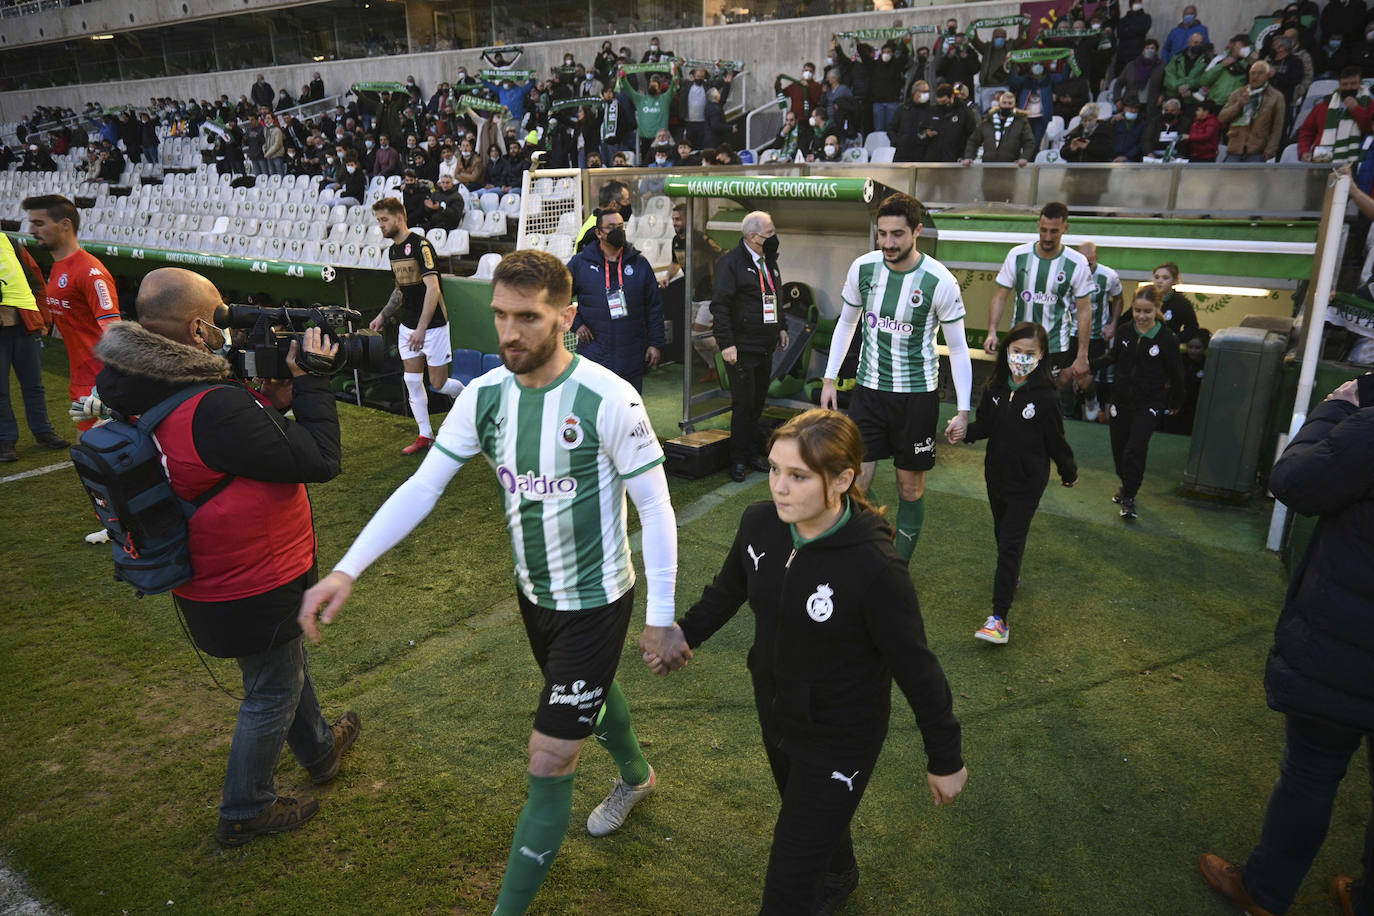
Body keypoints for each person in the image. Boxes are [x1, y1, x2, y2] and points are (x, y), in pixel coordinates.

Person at [300, 249, 683, 915]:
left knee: (549, 757)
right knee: (591, 695)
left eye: (527, 318)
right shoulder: (484, 396)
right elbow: (424, 487)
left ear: (565, 317)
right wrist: (346, 568)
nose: (508, 333)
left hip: (596, 600)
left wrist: (662, 612)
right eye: (500, 315)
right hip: (533, 594)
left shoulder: (607, 397)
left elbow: (654, 507)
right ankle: (637, 776)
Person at [658, 408, 967, 914]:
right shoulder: (760, 523)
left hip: (842, 734)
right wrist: (685, 634)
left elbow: (918, 668)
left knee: (789, 882)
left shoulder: (875, 567)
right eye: (775, 469)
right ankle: (840, 872)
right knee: (811, 821)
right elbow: (728, 589)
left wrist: (946, 757)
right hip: (776, 708)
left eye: (798, 476)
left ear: (843, 479)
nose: (779, 486)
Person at [93, 268, 358, 846]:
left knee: (280, 667)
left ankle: (318, 751)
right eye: (219, 318)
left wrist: (264, 402)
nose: (227, 329)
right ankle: (245, 807)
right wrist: (312, 380)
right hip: (249, 575)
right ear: (195, 329)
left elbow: (223, 448)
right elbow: (318, 458)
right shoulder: (211, 406)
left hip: (210, 570)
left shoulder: (134, 380)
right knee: (272, 687)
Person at [1199, 374, 1374, 916]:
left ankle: (1266, 892)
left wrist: (1333, 410)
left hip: (1349, 639)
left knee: (1313, 769)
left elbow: (1294, 480)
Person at [819, 193, 973, 563]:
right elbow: (847, 323)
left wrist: (964, 410)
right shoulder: (864, 269)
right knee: (854, 482)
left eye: (897, 235)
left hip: (916, 398)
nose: (888, 243)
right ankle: (863, 546)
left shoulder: (940, 281)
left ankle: (896, 566)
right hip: (869, 391)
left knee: (910, 488)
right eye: (882, 234)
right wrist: (829, 378)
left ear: (917, 231)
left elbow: (960, 348)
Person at [952, 321, 1076, 645]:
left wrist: (1068, 471)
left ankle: (999, 619)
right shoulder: (995, 386)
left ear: (1041, 355)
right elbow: (986, 426)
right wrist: (964, 431)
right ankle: (1012, 575)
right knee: (1003, 534)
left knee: (1009, 542)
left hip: (1028, 482)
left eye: (1029, 353)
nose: (1021, 358)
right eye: (1017, 351)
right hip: (996, 477)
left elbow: (1056, 440)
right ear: (1007, 349)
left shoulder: (1046, 397)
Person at [366, 198, 465, 456]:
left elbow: (433, 289)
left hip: (432, 327)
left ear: (399, 218)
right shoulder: (393, 252)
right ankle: (425, 435)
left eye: (384, 220)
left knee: (439, 384)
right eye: (378, 221)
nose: (381, 225)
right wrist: (383, 316)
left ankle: (467, 399)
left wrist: (422, 329)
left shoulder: (421, 245)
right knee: (411, 379)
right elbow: (400, 291)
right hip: (407, 326)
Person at [985, 202, 1095, 417]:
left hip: (1054, 346)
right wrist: (991, 331)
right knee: (1016, 395)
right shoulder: (1018, 255)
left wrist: (1083, 355)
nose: (1047, 237)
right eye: (1043, 230)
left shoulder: (1076, 262)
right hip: (1020, 344)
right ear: (1038, 225)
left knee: (1041, 400)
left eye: (1054, 231)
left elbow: (1084, 310)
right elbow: (1000, 296)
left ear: (1065, 228)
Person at [24, 194, 121, 434]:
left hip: (100, 383)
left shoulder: (90, 272)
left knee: (99, 458)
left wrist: (102, 390)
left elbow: (117, 335)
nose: (32, 230)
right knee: (89, 456)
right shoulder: (59, 266)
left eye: (39, 223)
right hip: (82, 377)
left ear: (65, 225)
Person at [1089, 286, 1185, 520]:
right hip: (1120, 400)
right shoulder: (1124, 331)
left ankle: (1130, 497)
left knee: (1135, 449)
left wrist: (1177, 400)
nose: (1141, 316)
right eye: (1137, 311)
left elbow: (1176, 374)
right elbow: (1112, 357)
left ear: (1157, 309)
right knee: (1120, 451)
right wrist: (1087, 366)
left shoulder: (1167, 338)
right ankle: (1125, 486)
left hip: (1149, 402)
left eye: (1147, 312)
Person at [711, 210, 790, 482]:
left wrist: (781, 327)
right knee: (743, 404)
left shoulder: (770, 261)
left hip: (765, 345)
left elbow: (775, 296)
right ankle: (737, 459)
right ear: (753, 236)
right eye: (770, 233)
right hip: (742, 348)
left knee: (757, 403)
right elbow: (720, 306)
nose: (774, 238)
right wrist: (727, 344)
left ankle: (751, 452)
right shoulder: (730, 263)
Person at [567, 208, 665, 392]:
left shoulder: (640, 264)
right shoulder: (580, 264)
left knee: (629, 410)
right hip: (593, 355)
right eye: (611, 227)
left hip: (631, 355)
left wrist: (655, 343)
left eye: (620, 226)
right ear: (598, 233)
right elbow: (557, 297)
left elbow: (654, 307)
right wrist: (576, 324)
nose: (617, 230)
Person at [0, 235, 67, 463]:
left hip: (25, 326)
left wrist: (44, 320)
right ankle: (5, 440)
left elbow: (37, 281)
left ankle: (43, 432)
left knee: (34, 385)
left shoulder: (12, 244)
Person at [1074, 242, 1123, 422]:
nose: (1085, 266)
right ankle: (1064, 412)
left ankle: (1091, 399)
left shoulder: (1108, 275)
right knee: (1064, 378)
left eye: (1089, 261)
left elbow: (1118, 300)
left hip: (1095, 335)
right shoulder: (1068, 271)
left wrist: (1113, 324)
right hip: (1070, 332)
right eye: (1082, 261)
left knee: (1085, 380)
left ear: (1096, 257)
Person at [1296, 66, 1374, 162]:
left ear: (1361, 84)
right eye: (1344, 84)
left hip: (1355, 161)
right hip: (1322, 160)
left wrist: (1356, 110)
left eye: (1353, 83)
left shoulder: (1370, 104)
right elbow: (1306, 131)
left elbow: (1370, 130)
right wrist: (1304, 151)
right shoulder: (1324, 105)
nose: (1349, 87)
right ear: (1339, 85)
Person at [1219, 61, 1286, 162]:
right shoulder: (1238, 93)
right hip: (1235, 147)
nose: (1255, 76)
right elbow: (1222, 118)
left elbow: (1278, 127)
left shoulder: (1276, 97)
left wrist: (1270, 150)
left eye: (1260, 73)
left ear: (1268, 76)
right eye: (1253, 73)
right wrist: (1239, 105)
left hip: (1258, 150)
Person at [960, 91, 1036, 165]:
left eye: (1010, 103)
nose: (1006, 105)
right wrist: (969, 157)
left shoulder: (1021, 122)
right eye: (1004, 103)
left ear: (1014, 105)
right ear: (999, 104)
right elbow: (973, 140)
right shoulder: (987, 121)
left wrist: (1024, 157)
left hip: (1011, 167)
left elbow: (1029, 142)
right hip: (988, 167)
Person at [1151, 262, 1199, 342]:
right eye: (1156, 277)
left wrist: (1173, 338)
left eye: (1165, 278)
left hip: (1167, 348)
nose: (1159, 281)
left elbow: (1192, 329)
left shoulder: (1182, 303)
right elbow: (1127, 320)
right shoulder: (1145, 297)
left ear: (1175, 280)